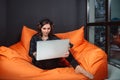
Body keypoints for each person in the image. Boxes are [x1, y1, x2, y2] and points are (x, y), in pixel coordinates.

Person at [29, 19, 94, 79]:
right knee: (44, 59)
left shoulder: (53, 37)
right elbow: (30, 52)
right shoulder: (35, 38)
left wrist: (66, 47)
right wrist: (36, 54)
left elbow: (69, 44)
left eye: (48, 29)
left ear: (51, 28)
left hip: (52, 62)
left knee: (66, 50)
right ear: (40, 28)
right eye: (44, 29)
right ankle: (76, 67)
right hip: (40, 63)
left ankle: (77, 67)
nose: (46, 31)